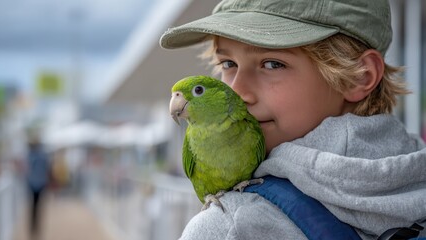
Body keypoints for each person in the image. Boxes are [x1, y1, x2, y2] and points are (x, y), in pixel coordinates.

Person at [160, 0, 426, 239]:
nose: (237, 92)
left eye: (273, 64)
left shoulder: (230, 227)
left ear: (359, 75)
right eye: (228, 64)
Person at [26, 135, 50, 238]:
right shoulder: (42, 155)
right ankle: (35, 227)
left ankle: (33, 227)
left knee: (34, 206)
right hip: (38, 183)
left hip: (34, 183)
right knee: (36, 206)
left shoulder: (31, 155)